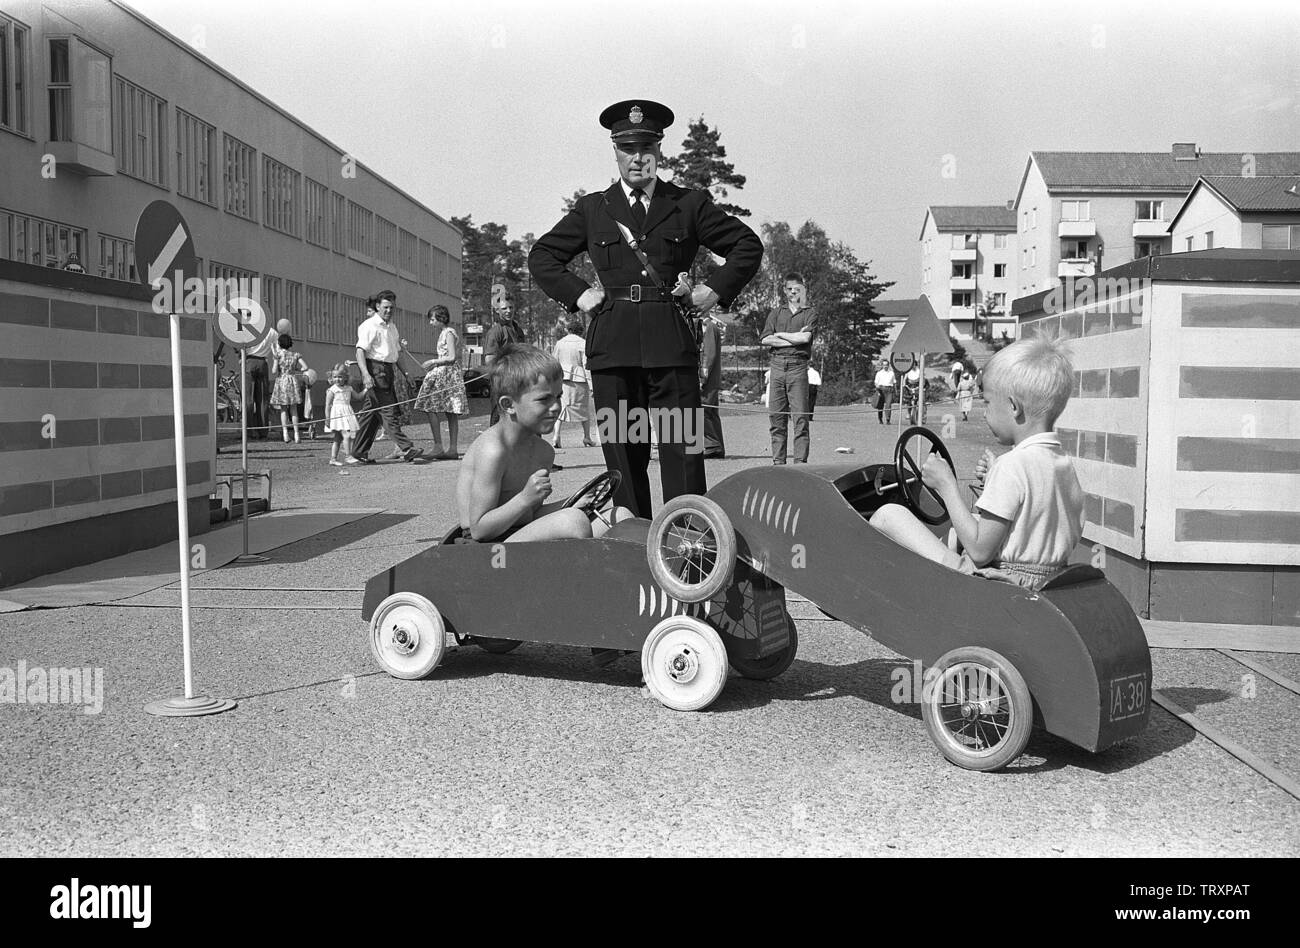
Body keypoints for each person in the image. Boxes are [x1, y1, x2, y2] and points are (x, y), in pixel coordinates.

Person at [528, 99, 763, 518]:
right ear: (615, 151)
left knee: (683, 455)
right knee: (624, 457)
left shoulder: (688, 204)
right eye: (627, 148)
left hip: (670, 349)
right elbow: (542, 255)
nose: (637, 158)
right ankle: (634, 544)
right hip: (614, 354)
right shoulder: (594, 209)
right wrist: (579, 293)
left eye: (646, 148)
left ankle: (690, 548)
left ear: (660, 151)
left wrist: (712, 290)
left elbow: (747, 246)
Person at [869, 337, 1084, 592]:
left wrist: (946, 485)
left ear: (1014, 407)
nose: (984, 412)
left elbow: (981, 551)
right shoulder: (1063, 464)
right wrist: (993, 481)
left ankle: (882, 589)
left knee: (888, 515)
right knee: (952, 534)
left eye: (988, 402)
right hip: (1046, 581)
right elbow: (1030, 520)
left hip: (1000, 585)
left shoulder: (1012, 466)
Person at [457, 344, 633, 542]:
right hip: (483, 548)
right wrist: (524, 499)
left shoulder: (543, 451)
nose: (556, 407)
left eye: (558, 396)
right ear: (508, 405)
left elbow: (530, 515)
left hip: (518, 533)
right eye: (544, 399)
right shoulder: (493, 451)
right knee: (572, 522)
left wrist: (576, 501)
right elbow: (479, 529)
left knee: (620, 516)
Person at [352, 290, 422, 463]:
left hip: (388, 370)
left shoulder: (392, 327)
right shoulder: (369, 326)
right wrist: (366, 375)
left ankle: (358, 451)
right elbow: (360, 351)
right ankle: (406, 448)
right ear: (377, 307)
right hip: (375, 370)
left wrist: (406, 374)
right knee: (388, 410)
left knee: (371, 414)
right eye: (385, 307)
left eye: (391, 307)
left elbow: (397, 353)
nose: (389, 311)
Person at [761, 273, 818, 464]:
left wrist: (781, 335)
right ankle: (778, 463)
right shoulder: (776, 313)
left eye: (798, 289)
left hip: (798, 367)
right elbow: (765, 339)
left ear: (803, 290)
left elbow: (805, 339)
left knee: (800, 419)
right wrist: (793, 338)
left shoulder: (810, 313)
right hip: (776, 366)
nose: (794, 292)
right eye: (790, 289)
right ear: (785, 291)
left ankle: (800, 464)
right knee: (777, 420)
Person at [414, 305, 468, 460]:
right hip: (444, 373)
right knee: (436, 408)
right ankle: (445, 447)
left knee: (441, 408)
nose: (431, 323)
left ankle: (447, 447)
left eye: (432, 319)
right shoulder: (444, 333)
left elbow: (451, 357)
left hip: (447, 373)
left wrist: (433, 361)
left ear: (441, 318)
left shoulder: (449, 333)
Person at [551, 318, 597, 450]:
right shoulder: (583, 343)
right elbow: (586, 365)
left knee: (562, 407)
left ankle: (556, 436)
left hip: (563, 380)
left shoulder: (560, 343)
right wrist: (592, 386)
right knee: (583, 409)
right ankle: (587, 436)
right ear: (581, 331)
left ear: (568, 330)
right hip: (579, 380)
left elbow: (554, 362)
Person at [483, 297, 524, 428]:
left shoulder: (518, 330)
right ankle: (495, 446)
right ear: (497, 311)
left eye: (511, 307)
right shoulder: (496, 331)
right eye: (504, 308)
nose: (508, 311)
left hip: (518, 379)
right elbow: (489, 360)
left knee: (521, 413)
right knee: (499, 415)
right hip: (501, 381)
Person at [699, 311, 729, 459]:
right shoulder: (710, 327)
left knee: (702, 410)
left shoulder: (709, 327)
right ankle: (717, 447)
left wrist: (702, 378)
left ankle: (712, 444)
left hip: (708, 379)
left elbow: (709, 355)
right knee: (711, 413)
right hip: (712, 378)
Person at [243, 322, 279, 440]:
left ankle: (249, 431)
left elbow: (239, 346)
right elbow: (276, 352)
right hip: (263, 362)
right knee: (263, 399)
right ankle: (263, 431)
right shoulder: (272, 332)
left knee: (248, 398)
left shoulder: (248, 328)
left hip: (248, 361)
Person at [269, 334, 306, 443]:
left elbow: (274, 371)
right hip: (293, 381)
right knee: (294, 409)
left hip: (282, 381)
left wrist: (274, 356)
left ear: (280, 344)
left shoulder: (278, 355)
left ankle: (285, 433)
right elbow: (306, 367)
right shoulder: (295, 355)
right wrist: (297, 369)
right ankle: (296, 434)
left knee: (283, 409)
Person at [323, 365, 360, 465]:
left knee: (338, 439)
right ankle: (348, 456)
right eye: (335, 377)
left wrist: (367, 390)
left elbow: (358, 397)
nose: (337, 379)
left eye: (340, 377)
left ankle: (333, 459)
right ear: (331, 378)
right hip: (337, 415)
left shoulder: (349, 388)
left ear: (345, 377)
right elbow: (327, 405)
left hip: (347, 413)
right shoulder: (332, 390)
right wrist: (327, 418)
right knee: (347, 435)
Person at [805, 364, 822, 429]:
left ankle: (805, 416)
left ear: (808, 366)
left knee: (806, 402)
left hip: (807, 386)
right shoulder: (816, 373)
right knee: (812, 402)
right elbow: (819, 382)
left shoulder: (807, 372)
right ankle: (810, 417)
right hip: (814, 387)